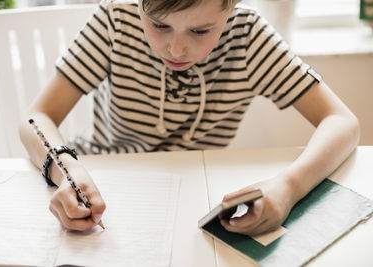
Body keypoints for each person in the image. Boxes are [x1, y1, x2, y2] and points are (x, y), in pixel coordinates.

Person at [19, 0, 360, 235]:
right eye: (159, 25)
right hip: (104, 181)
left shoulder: (249, 38)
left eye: (200, 32)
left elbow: (342, 122)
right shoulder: (115, 22)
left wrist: (289, 187)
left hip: (196, 194)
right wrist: (67, 170)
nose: (176, 50)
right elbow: (36, 116)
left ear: (231, 9)